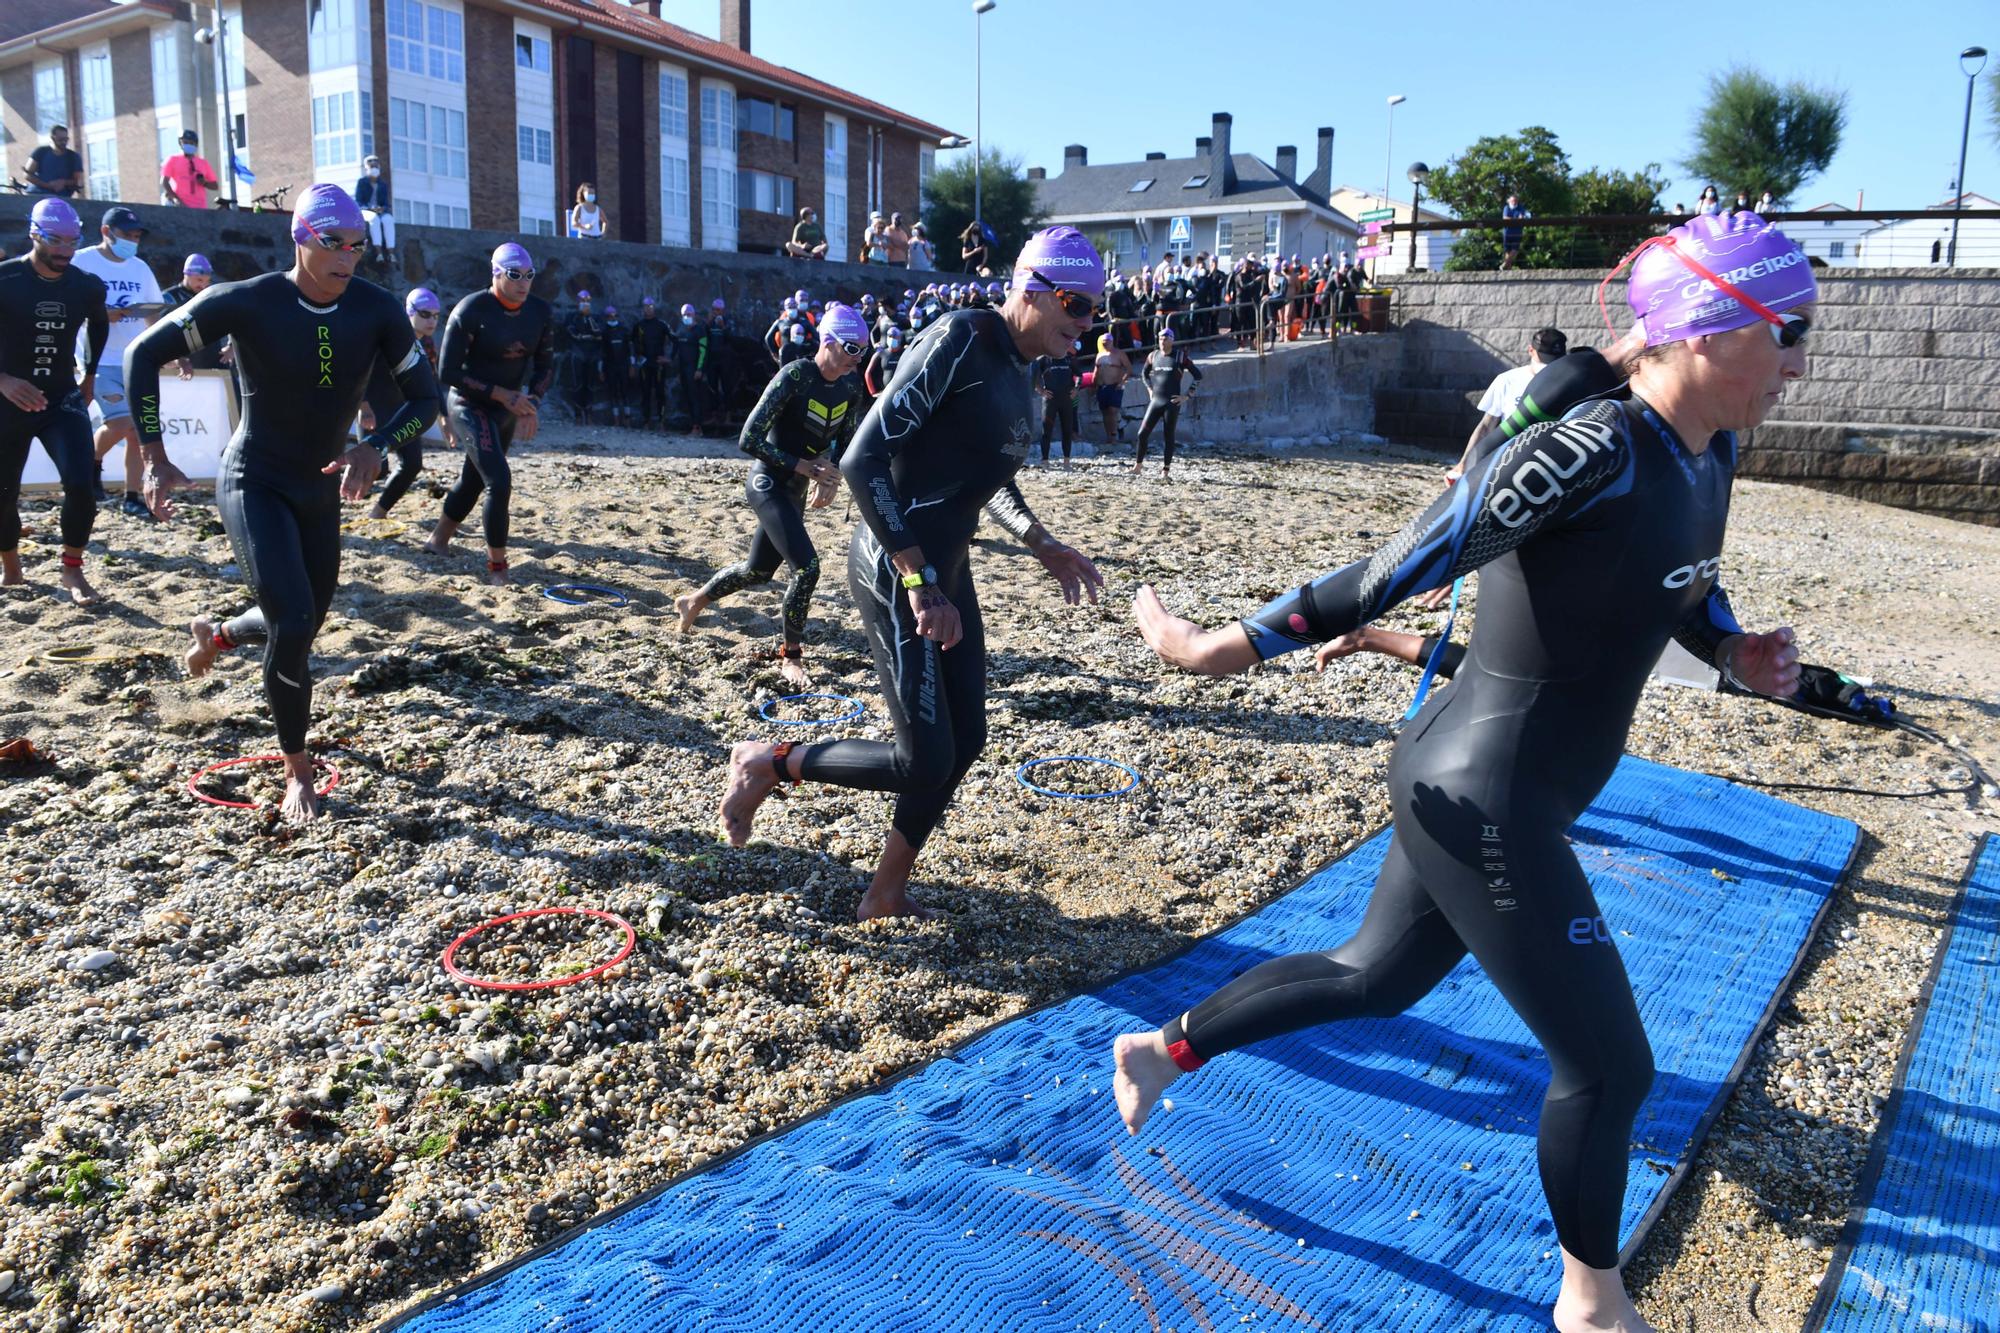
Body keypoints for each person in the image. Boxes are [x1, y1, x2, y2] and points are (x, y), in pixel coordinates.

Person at [1111, 209, 1816, 1333]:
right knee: (1609, 1066)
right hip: (1483, 788)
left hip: (1507, 778)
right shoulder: (1588, 451)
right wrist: (1214, 647)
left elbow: (1681, 579)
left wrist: (1729, 648)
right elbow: (1403, 561)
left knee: (1371, 976)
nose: (1796, 361)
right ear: (1700, 328)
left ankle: (1160, 1048)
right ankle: (1589, 1300)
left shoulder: (1712, 450)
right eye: (1785, 331)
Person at [715, 226, 1108, 921]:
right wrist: (919, 580)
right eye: (1076, 305)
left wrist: (1040, 540)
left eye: (1094, 310)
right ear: (1031, 288)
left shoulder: (1023, 370)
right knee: (925, 756)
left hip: (944, 568)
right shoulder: (959, 340)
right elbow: (865, 460)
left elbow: (985, 476)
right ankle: (767, 761)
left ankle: (884, 891)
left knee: (968, 739)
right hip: (895, 563)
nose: (1086, 323)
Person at [128, 184, 439, 823]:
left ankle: (216, 634)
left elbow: (426, 399)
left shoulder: (377, 309)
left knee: (299, 618)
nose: (347, 258)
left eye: (356, 246)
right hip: (253, 479)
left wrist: (376, 445)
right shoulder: (248, 301)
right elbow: (143, 354)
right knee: (294, 622)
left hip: (318, 486)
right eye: (333, 244)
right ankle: (297, 769)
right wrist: (157, 458)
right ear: (299, 238)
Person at [674, 303, 870, 688]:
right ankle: (791, 657)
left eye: (863, 350)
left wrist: (828, 477)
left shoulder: (850, 387)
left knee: (758, 571)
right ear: (827, 342)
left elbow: (844, 445)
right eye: (851, 349)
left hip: (796, 488)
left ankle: (693, 601)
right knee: (808, 568)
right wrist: (803, 466)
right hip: (767, 483)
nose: (857, 359)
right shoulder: (795, 376)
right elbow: (749, 438)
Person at [423, 243, 556, 585]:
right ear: (496, 274)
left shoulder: (539, 313)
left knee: (474, 478)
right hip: (469, 404)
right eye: (514, 275)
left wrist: (531, 404)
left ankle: (437, 540)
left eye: (529, 275)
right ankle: (498, 568)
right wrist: (502, 395)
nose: (523, 282)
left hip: (508, 407)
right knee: (498, 480)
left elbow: (545, 367)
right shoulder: (471, 311)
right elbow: (448, 373)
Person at [0, 198, 109, 606]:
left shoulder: (85, 284)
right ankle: (11, 566)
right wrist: (4, 380)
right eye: (55, 240)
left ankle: (72, 569)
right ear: (34, 234)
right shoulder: (6, 280)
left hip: (61, 398)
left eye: (72, 240)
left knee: (82, 485)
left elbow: (99, 322)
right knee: (4, 492)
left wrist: (91, 372)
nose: (65, 249)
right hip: (9, 399)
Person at [71, 207, 164, 520]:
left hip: (133, 358)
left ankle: (132, 496)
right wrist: (97, 314)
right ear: (106, 232)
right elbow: (64, 303)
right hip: (97, 359)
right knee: (122, 422)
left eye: (137, 236)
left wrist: (161, 349)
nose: (133, 242)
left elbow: (154, 311)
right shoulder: (82, 261)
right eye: (127, 235)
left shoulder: (139, 268)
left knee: (137, 433)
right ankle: (91, 463)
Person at [360, 286, 451, 520]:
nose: (431, 321)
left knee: (412, 464)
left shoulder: (427, 344)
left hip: (404, 410)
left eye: (436, 316)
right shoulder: (389, 337)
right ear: (409, 312)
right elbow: (361, 371)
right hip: (376, 409)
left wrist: (444, 416)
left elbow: (431, 381)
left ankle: (377, 512)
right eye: (425, 314)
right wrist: (363, 406)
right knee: (375, 469)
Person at [1451, 327, 1569, 481]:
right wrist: (1464, 463)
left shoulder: (1568, 384)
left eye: (1554, 359)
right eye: (1544, 358)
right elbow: (1487, 425)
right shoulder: (1507, 380)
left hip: (1547, 462)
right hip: (1507, 460)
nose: (1548, 364)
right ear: (1531, 351)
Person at [1132, 328, 1201, 480]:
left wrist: (1187, 396)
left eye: (1166, 339)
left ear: (1172, 340)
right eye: (1160, 339)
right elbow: (1144, 373)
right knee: (1142, 434)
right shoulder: (1153, 355)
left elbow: (1198, 375)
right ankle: (1138, 466)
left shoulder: (1180, 357)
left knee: (1168, 436)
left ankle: (1165, 470)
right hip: (1156, 400)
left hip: (1172, 402)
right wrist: (1150, 389)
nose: (1162, 341)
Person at [162, 255, 229, 374]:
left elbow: (234, 319)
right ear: (186, 274)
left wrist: (231, 346)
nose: (203, 286)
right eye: (199, 280)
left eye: (207, 281)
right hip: (182, 369)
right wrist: (176, 359)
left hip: (213, 367)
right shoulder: (169, 298)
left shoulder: (211, 296)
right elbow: (156, 333)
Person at [1031, 342, 1080, 468]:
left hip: (1066, 399)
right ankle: (1045, 461)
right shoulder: (1044, 359)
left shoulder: (1069, 359)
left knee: (1067, 430)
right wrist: (1041, 390)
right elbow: (1033, 377)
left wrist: (1076, 388)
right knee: (1046, 430)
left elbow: (1079, 375)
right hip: (1050, 400)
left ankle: (1067, 461)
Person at [562, 291, 605, 425]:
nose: (584, 302)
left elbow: (599, 334)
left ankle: (589, 414)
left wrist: (589, 318)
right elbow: (572, 332)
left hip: (592, 353)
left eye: (587, 300)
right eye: (582, 300)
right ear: (577, 301)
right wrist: (588, 336)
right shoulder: (572, 317)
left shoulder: (596, 317)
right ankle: (578, 414)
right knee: (577, 383)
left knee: (591, 384)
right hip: (578, 352)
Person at [633, 298, 672, 429]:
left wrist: (669, 358)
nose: (648, 309)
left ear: (654, 308)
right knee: (645, 393)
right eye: (645, 306)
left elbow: (676, 340)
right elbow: (631, 343)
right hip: (645, 364)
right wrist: (634, 361)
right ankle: (646, 421)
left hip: (658, 364)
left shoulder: (662, 325)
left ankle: (661, 421)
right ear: (642, 308)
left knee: (660, 392)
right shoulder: (639, 325)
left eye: (650, 306)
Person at [669, 301, 707, 432]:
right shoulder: (681, 330)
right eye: (684, 315)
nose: (686, 317)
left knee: (695, 397)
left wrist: (700, 369)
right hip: (683, 369)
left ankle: (698, 427)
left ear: (694, 314)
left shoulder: (700, 330)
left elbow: (703, 351)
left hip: (694, 369)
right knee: (687, 397)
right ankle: (693, 425)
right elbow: (677, 349)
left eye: (689, 314)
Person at [160, 130, 218, 210]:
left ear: (196, 144)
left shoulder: (203, 163)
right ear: (180, 143)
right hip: (180, 207)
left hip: (200, 207)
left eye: (191, 143)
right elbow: (164, 182)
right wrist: (176, 199)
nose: (188, 145)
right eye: (185, 142)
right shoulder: (172, 160)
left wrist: (204, 183)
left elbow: (215, 185)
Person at [354, 155, 396, 264]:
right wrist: (370, 209)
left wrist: (383, 208)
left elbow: (386, 203)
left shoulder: (383, 184)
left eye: (376, 166)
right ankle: (379, 253)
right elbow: (358, 201)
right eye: (371, 166)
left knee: (388, 220)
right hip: (366, 211)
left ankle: (391, 253)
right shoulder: (362, 182)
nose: (374, 169)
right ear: (366, 168)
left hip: (380, 212)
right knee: (374, 219)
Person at [1092, 333, 1132, 443]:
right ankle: (1109, 436)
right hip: (1102, 387)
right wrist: (1093, 384)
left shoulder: (1119, 354)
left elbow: (1129, 369)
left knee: (1112, 410)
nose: (1105, 345)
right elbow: (1096, 372)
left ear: (1112, 342)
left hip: (1115, 386)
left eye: (1107, 342)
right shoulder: (1099, 355)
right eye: (1103, 343)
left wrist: (1122, 382)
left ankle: (1114, 435)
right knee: (1105, 412)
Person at [23, 126, 82, 198]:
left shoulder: (73, 157)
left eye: (66, 139)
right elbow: (27, 175)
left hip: (61, 197)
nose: (63, 142)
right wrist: (48, 185)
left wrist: (63, 182)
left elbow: (77, 180)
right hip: (37, 194)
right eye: (60, 140)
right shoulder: (41, 151)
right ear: (52, 138)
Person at [600, 303, 633, 427]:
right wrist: (601, 370)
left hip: (623, 365)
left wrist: (631, 366)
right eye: (610, 316)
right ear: (606, 317)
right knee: (613, 393)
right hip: (610, 366)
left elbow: (630, 350)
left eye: (614, 316)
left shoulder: (624, 331)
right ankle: (616, 420)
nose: (612, 318)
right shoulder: (604, 332)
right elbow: (602, 352)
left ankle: (628, 419)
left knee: (625, 392)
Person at [862, 325, 903, 399]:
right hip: (886, 393)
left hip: (902, 391)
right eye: (890, 336)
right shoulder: (881, 353)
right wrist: (873, 392)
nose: (892, 339)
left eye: (895, 337)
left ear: (899, 338)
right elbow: (867, 373)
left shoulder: (905, 352)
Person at [1500, 193, 1530, 270]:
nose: (1514, 202)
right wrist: (1515, 219)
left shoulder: (1520, 208)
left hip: (1517, 232)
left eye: (1515, 200)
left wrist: (1515, 219)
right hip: (1507, 232)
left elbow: (1522, 217)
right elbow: (1505, 218)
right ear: (1509, 201)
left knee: (1515, 249)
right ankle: (1508, 268)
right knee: (1507, 250)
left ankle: (1505, 264)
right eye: (1513, 200)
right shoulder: (1506, 207)